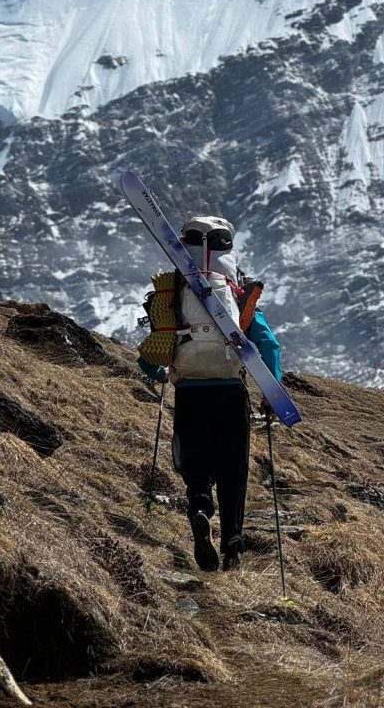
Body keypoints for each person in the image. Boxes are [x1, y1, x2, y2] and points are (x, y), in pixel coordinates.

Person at [137, 215, 283, 572]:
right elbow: (267, 344)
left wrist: (157, 371)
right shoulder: (238, 293)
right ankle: (232, 540)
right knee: (233, 466)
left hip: (189, 390)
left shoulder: (170, 293)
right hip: (231, 391)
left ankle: (200, 506)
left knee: (197, 460)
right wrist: (272, 391)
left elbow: (151, 354)